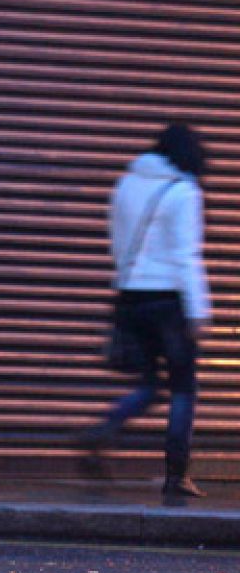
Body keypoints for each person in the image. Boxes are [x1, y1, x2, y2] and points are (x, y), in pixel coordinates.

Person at [83, 123, 211, 502]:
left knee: (151, 383)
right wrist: (199, 310)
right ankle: (176, 476)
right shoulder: (183, 191)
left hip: (131, 298)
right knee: (184, 389)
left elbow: (117, 242)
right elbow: (187, 255)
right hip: (169, 301)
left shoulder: (126, 184)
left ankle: (105, 428)